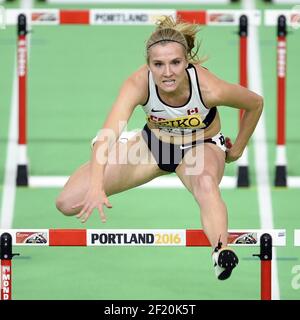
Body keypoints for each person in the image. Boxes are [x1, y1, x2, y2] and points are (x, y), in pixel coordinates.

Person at [55, 16, 263, 281]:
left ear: (187, 61)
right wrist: (96, 186)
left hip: (200, 147)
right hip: (152, 146)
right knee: (68, 201)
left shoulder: (209, 88)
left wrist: (238, 149)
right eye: (159, 64)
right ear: (148, 65)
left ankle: (220, 252)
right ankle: (127, 144)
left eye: (175, 63)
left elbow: (255, 103)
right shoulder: (138, 83)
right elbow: (105, 136)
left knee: (206, 184)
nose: (167, 73)